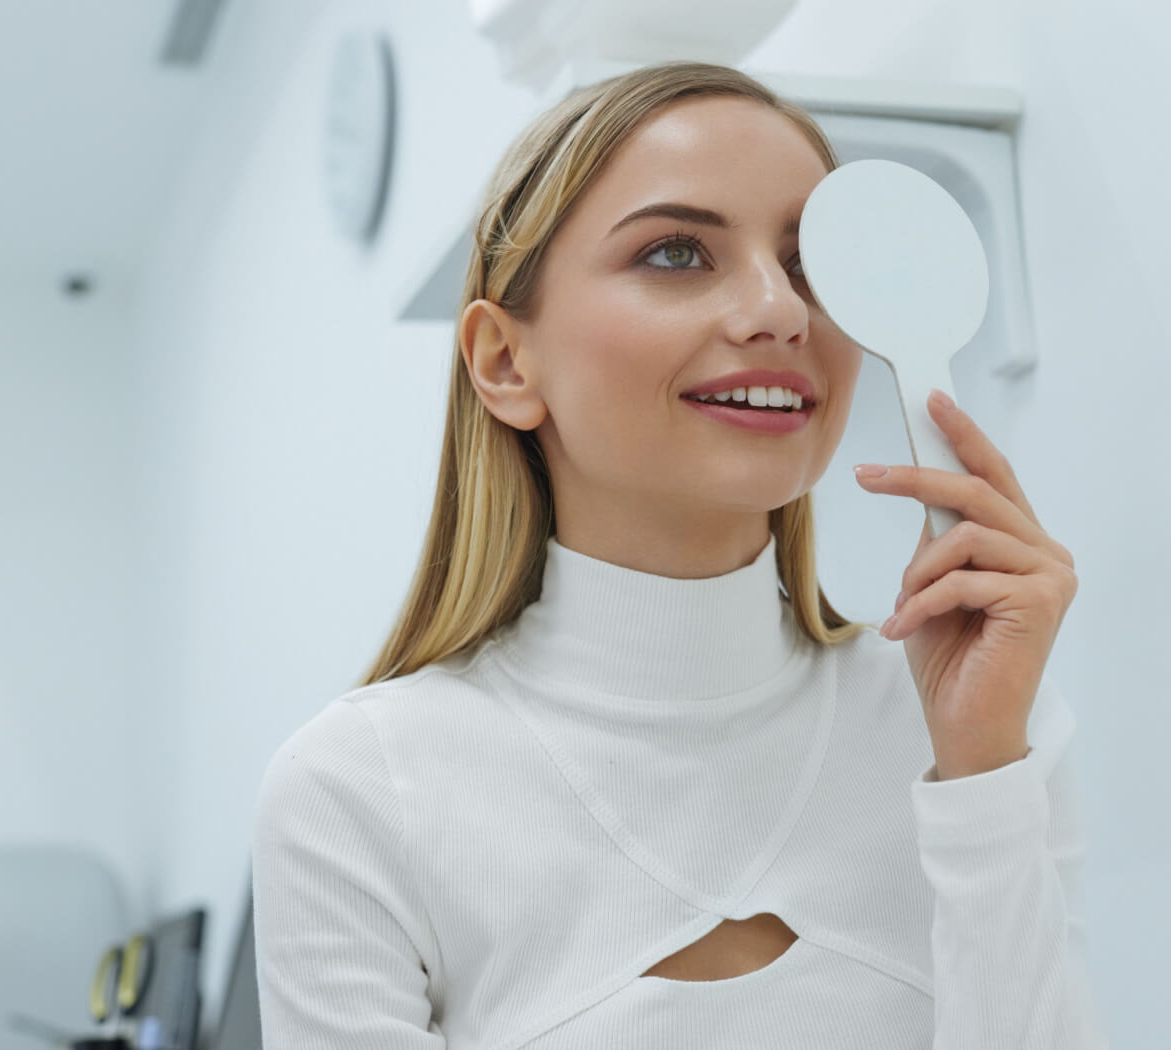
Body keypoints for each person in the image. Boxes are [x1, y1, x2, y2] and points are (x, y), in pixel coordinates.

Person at [252, 60, 1108, 1048]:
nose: (780, 309)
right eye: (675, 254)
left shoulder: (986, 731)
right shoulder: (359, 791)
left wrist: (980, 779)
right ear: (503, 361)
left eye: (808, 264)